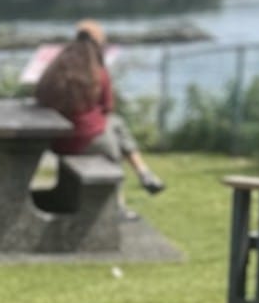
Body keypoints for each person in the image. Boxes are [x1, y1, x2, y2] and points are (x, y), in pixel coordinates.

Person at [35, 19, 165, 196]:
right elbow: (108, 106)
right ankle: (138, 178)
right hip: (91, 138)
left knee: (116, 124)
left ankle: (144, 173)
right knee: (114, 126)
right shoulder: (97, 71)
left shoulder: (56, 68)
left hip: (58, 141)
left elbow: (40, 95)